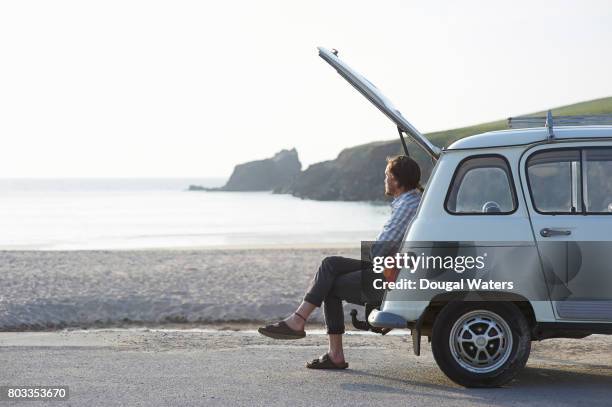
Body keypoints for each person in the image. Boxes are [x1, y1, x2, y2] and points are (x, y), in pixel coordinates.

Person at [258, 155, 422, 369]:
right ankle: (300, 323)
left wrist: (375, 251)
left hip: (391, 274)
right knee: (330, 264)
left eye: (387, 175)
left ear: (397, 180)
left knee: (330, 284)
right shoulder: (411, 200)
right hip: (393, 267)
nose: (384, 180)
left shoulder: (407, 205)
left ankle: (320, 341)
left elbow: (380, 250)